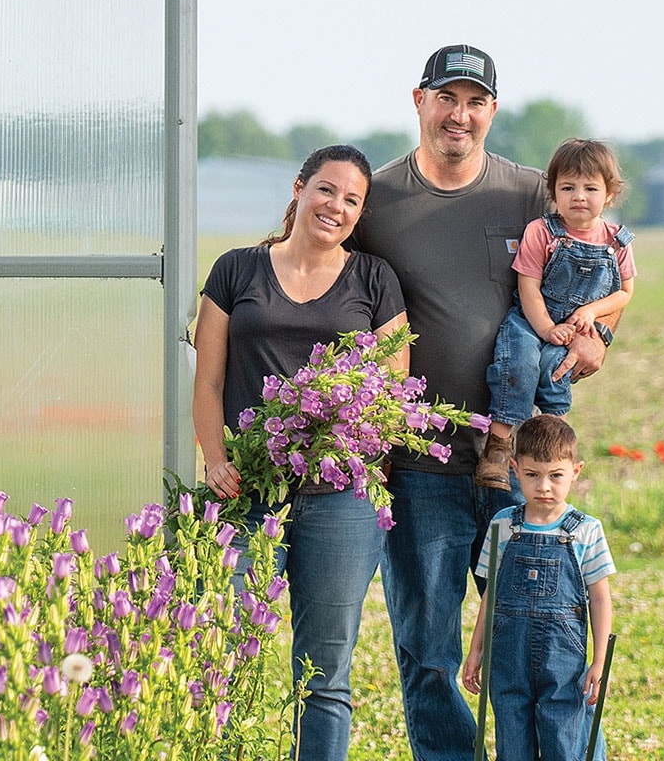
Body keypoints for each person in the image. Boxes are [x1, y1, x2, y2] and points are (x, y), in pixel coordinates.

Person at [345, 45, 617, 760]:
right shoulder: (376, 199)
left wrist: (602, 335)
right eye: (446, 98)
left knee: (548, 646)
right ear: (419, 101)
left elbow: (602, 264)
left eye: (474, 101)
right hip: (419, 466)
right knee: (429, 651)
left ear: (492, 110)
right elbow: (318, 269)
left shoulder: (533, 193)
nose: (458, 115)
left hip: (527, 472)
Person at [191, 144, 408, 761]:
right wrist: (215, 461)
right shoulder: (237, 270)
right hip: (247, 492)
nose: (335, 206)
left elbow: (392, 392)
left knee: (324, 673)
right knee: (223, 656)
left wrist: (359, 451)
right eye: (326, 190)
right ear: (298, 188)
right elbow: (207, 381)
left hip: (341, 500)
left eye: (351, 199)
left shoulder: (373, 280)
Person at [475, 138, 637, 491]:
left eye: (590, 188)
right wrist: (547, 328)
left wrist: (591, 313)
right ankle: (498, 449)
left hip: (572, 327)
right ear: (553, 192)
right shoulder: (541, 232)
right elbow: (528, 287)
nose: (579, 196)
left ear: (609, 194)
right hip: (532, 320)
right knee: (518, 363)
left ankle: (550, 450)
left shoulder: (617, 242)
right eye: (568, 187)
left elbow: (625, 292)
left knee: (554, 373)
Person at [462, 414, 614, 760]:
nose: (544, 486)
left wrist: (600, 659)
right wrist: (475, 650)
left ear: (576, 471)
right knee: (512, 741)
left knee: (564, 737)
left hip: (563, 662)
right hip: (508, 657)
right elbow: (492, 595)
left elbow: (600, 598)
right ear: (514, 469)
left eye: (556, 476)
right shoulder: (503, 526)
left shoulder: (586, 530)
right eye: (532, 475)